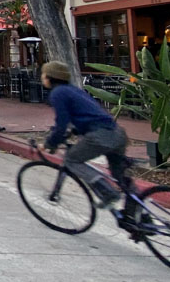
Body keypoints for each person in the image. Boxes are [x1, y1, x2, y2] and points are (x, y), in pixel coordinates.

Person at [41, 60, 129, 207]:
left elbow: (61, 124)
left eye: (43, 75)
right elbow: (87, 115)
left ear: (50, 77)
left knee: (71, 159)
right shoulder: (73, 90)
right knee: (121, 180)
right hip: (117, 133)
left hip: (101, 136)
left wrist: (50, 143)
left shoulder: (58, 93)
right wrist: (74, 131)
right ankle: (139, 214)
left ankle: (107, 192)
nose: (42, 78)